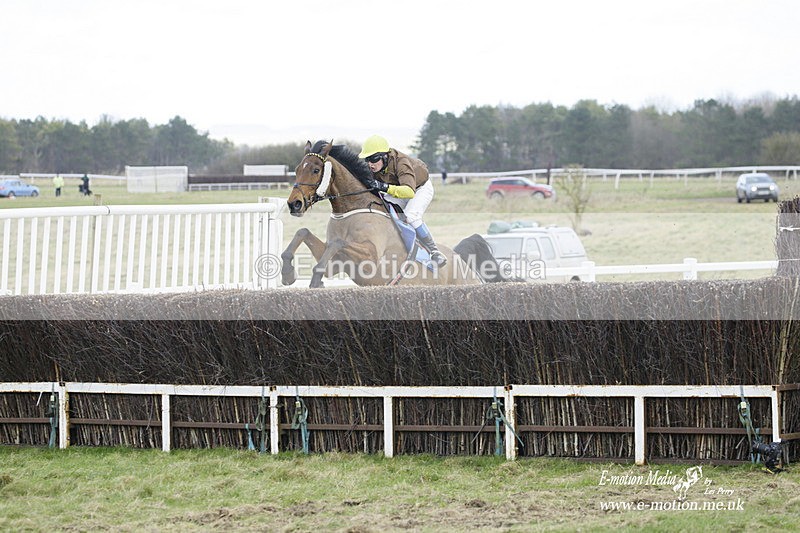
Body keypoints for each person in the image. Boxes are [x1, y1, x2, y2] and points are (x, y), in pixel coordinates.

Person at [359, 135, 447, 267]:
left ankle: (434, 251)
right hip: (400, 189)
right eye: (367, 159)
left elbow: (409, 192)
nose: (370, 164)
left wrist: (384, 187)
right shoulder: (374, 167)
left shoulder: (402, 163)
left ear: (384, 156)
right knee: (383, 208)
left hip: (419, 189)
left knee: (411, 216)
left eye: (373, 159)